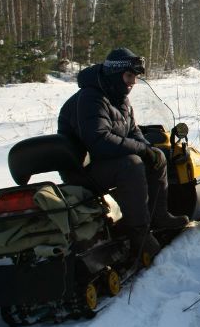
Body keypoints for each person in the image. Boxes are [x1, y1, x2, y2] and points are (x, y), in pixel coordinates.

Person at [57, 48, 189, 260]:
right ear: (115, 74)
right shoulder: (91, 99)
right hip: (81, 169)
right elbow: (99, 142)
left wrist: (149, 149)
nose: (133, 82)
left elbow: (132, 131)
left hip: (102, 162)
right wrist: (142, 150)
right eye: (129, 76)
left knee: (158, 156)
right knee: (132, 164)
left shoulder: (118, 97)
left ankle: (159, 215)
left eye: (135, 77)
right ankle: (139, 234)